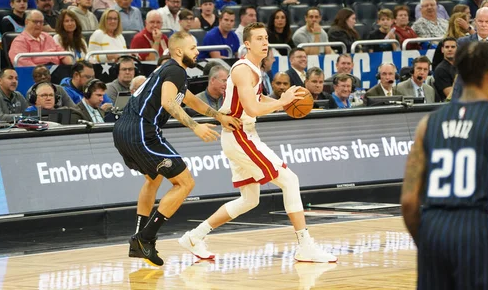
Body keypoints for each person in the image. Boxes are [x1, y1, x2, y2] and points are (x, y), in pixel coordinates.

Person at [179, 22, 338, 263]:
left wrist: (279, 100)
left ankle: (194, 236)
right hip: (240, 134)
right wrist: (282, 102)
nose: (265, 42)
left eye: (266, 38)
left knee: (249, 200)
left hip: (242, 134)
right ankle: (305, 245)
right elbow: (253, 108)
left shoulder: (255, 68)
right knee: (290, 180)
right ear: (247, 43)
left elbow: (255, 98)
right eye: (259, 39)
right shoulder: (244, 70)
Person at [401, 41, 488, 290]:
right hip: (478, 230)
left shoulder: (428, 124)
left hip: (433, 229)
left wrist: (426, 242)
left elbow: (409, 201)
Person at [113, 31, 241, 266]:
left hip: (124, 130)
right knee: (185, 183)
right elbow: (168, 103)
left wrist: (219, 116)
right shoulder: (175, 70)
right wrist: (195, 127)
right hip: (142, 131)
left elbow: (191, 100)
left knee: (153, 179)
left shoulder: (169, 71)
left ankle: (139, 241)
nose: (197, 52)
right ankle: (145, 238)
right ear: (179, 51)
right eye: (193, 48)